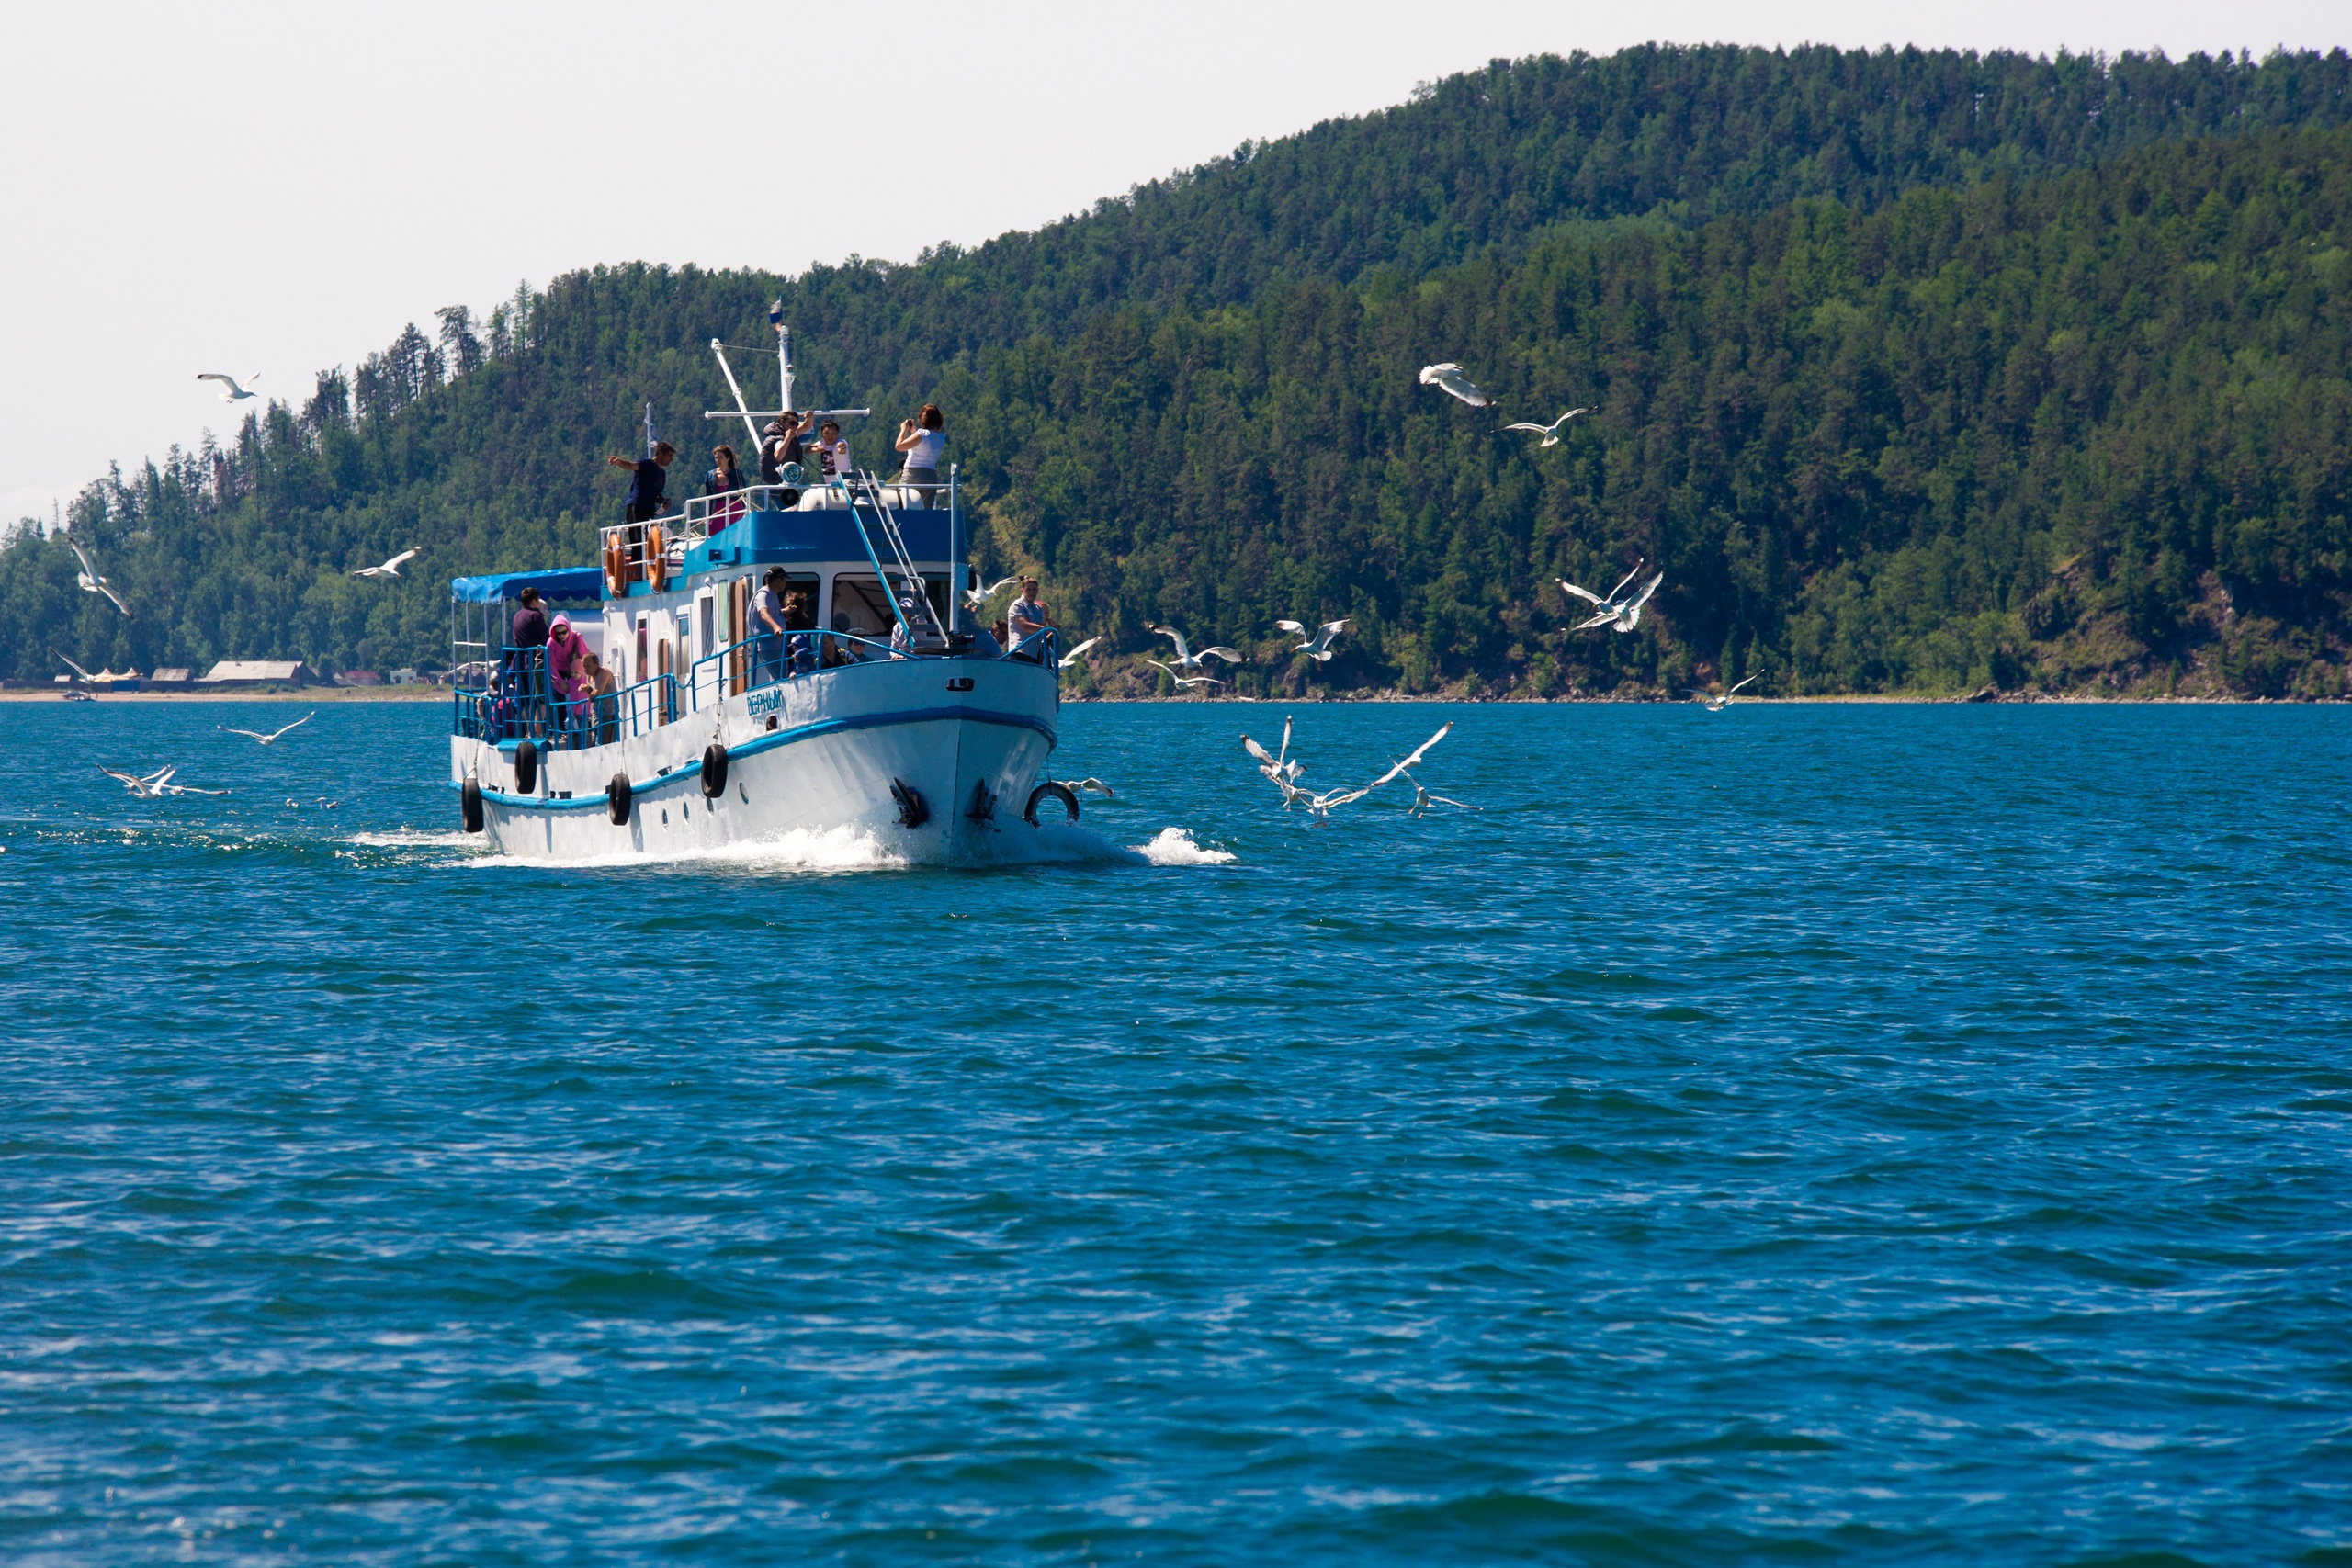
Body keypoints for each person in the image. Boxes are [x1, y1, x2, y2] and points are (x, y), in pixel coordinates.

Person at [545, 615, 589, 738]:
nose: (561, 636)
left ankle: (584, 728)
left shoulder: (576, 637)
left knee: (581, 697)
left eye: (564, 632)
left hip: (574, 669)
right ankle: (563, 731)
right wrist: (560, 681)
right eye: (558, 633)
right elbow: (551, 665)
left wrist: (586, 672)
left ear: (568, 629)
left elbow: (584, 654)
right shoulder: (551, 643)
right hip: (558, 672)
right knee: (559, 700)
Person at [893, 403, 945, 494]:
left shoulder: (922, 434)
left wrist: (903, 429)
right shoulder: (941, 437)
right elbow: (923, 445)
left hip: (913, 474)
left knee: (906, 504)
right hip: (930, 475)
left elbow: (899, 446)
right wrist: (914, 431)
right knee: (927, 507)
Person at [753, 568, 790, 684]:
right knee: (781, 678)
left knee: (780, 675)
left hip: (776, 645)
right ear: (779, 580)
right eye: (784, 579)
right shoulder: (764, 594)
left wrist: (785, 611)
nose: (785, 583)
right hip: (770, 646)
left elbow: (773, 612)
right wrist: (776, 627)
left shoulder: (772, 595)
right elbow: (764, 614)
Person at [1007, 575, 1052, 658]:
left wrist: (1052, 631)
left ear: (1037, 591)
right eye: (1028, 589)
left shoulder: (1037, 608)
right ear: (1022, 590)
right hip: (1020, 652)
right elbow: (1025, 625)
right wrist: (1045, 629)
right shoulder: (1017, 605)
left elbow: (1039, 627)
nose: (1031, 592)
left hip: (1034, 654)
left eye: (1034, 589)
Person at [582, 651, 620, 745]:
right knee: (595, 741)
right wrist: (588, 690)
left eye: (588, 666)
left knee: (604, 743)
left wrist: (590, 694)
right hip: (597, 713)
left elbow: (598, 692)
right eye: (584, 666)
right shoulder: (589, 676)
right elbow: (593, 693)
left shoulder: (604, 672)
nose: (585, 669)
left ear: (597, 664)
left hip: (608, 714)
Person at [784, 590, 817, 675]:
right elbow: (813, 633)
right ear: (802, 606)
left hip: (790, 655)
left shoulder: (786, 622)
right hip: (807, 655)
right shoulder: (807, 621)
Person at [817, 419, 854, 484]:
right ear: (822, 434)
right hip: (829, 484)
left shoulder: (841, 442)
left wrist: (840, 448)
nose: (830, 436)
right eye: (827, 433)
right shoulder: (822, 442)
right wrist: (816, 449)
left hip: (844, 483)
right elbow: (808, 449)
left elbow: (841, 447)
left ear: (837, 434)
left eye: (833, 433)